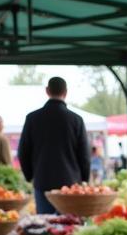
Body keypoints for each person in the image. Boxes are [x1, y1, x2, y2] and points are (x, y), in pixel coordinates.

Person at [17, 76, 90, 214]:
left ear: (47, 91)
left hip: (43, 180)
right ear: (66, 92)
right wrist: (83, 179)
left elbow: (23, 151)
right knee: (70, 226)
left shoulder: (32, 118)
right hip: (70, 185)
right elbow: (84, 155)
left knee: (45, 227)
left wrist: (30, 176)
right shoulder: (76, 120)